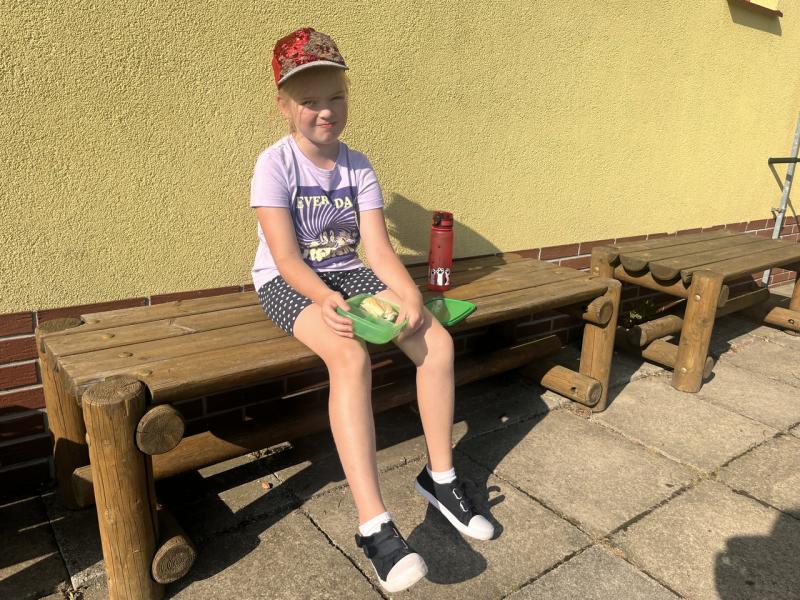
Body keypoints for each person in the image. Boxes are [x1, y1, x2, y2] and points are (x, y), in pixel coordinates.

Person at [250, 27, 494, 593]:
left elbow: (378, 251)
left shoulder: (358, 166)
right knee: (349, 356)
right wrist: (324, 298)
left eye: (336, 96)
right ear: (283, 106)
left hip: (348, 272)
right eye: (309, 100)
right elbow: (286, 258)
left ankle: (440, 477)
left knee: (436, 340)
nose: (326, 110)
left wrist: (410, 297)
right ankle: (374, 524)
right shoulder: (274, 165)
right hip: (290, 282)